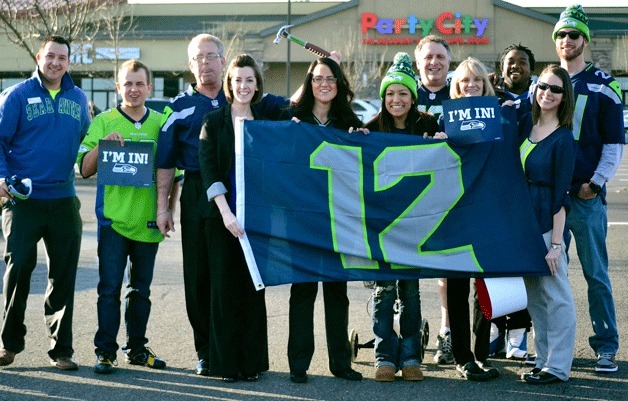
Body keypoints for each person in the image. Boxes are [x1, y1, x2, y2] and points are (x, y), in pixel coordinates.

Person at [155, 34, 287, 376]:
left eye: (210, 56)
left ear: (222, 60)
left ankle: (245, 355)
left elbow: (301, 109)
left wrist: (324, 64)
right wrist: (163, 207)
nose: (204, 63)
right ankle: (207, 352)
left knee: (243, 278)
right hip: (201, 191)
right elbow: (166, 161)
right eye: (197, 57)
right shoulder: (180, 107)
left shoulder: (262, 106)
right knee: (201, 279)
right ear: (190, 64)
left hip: (249, 194)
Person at [77, 60, 177, 374]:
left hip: (148, 221)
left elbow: (175, 173)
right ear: (118, 86)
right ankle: (105, 352)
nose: (133, 90)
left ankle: (136, 349)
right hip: (113, 221)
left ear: (149, 87)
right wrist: (103, 147)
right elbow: (83, 167)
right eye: (127, 84)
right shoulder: (104, 121)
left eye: (139, 84)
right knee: (109, 289)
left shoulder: (163, 122)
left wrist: (167, 211)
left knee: (141, 291)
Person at [0, 36, 90, 370]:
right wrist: (2, 179)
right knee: (19, 267)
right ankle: (8, 344)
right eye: (50, 56)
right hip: (22, 201)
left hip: (63, 200)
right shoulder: (17, 96)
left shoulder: (78, 99)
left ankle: (61, 350)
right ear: (39, 57)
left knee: (64, 274)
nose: (55, 62)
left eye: (62, 57)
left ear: (69, 62)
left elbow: (86, 143)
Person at [553, 4, 623, 373]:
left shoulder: (604, 85)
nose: (567, 40)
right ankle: (555, 349)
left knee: (595, 275)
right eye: (561, 35)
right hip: (551, 198)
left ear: (585, 40)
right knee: (551, 275)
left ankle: (606, 346)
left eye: (573, 34)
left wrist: (594, 184)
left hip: (584, 196)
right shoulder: (546, 82)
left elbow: (614, 144)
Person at [284, 57, 363, 384]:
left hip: (337, 216)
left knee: (336, 291)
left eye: (330, 78)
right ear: (309, 83)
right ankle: (298, 363)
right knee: (302, 290)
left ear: (339, 83)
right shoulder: (292, 119)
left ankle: (340, 363)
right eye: (318, 78)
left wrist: (363, 138)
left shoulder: (348, 120)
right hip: (301, 217)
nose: (324, 84)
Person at [365, 52, 438, 383]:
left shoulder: (428, 125)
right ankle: (383, 353)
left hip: (415, 224)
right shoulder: (369, 128)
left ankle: (410, 355)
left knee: (410, 290)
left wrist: (439, 142)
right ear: (383, 98)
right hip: (381, 224)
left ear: (413, 98)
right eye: (390, 93)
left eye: (403, 93)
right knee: (383, 291)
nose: (396, 99)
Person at [198, 54, 269, 383]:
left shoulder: (269, 119)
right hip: (222, 220)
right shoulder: (213, 122)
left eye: (249, 80)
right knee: (224, 291)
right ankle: (224, 364)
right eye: (237, 79)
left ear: (257, 86)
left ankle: (251, 363)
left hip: (258, 220)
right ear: (229, 84)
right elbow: (210, 172)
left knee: (253, 289)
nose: (243, 85)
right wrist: (226, 214)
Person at [518, 64, 577, 385]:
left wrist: (556, 245)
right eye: (543, 86)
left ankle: (557, 367)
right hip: (524, 227)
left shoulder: (564, 139)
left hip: (546, 226)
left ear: (564, 96)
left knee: (557, 296)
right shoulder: (525, 123)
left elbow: (561, 196)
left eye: (555, 89)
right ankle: (543, 360)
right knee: (536, 299)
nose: (548, 93)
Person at [445, 58, 499, 382]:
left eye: (476, 81)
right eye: (465, 81)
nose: (470, 86)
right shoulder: (447, 116)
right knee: (456, 287)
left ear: (485, 84)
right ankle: (462, 357)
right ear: (457, 85)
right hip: (453, 210)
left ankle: (481, 354)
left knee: (484, 287)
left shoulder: (496, 117)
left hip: (486, 211)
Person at [489, 43, 537, 361]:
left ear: (531, 69)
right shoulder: (489, 98)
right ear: (501, 67)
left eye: (522, 62)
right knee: (492, 268)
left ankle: (517, 336)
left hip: (526, 196)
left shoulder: (540, 100)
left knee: (518, 269)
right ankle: (494, 331)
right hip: (491, 195)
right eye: (510, 62)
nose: (515, 66)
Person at [413, 34, 454, 365]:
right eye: (428, 57)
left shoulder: (460, 94)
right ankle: (404, 333)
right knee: (403, 268)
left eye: (440, 56)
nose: (434, 62)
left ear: (449, 62)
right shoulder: (404, 94)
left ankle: (447, 333)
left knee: (446, 273)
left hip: (447, 194)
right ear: (418, 62)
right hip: (409, 196)